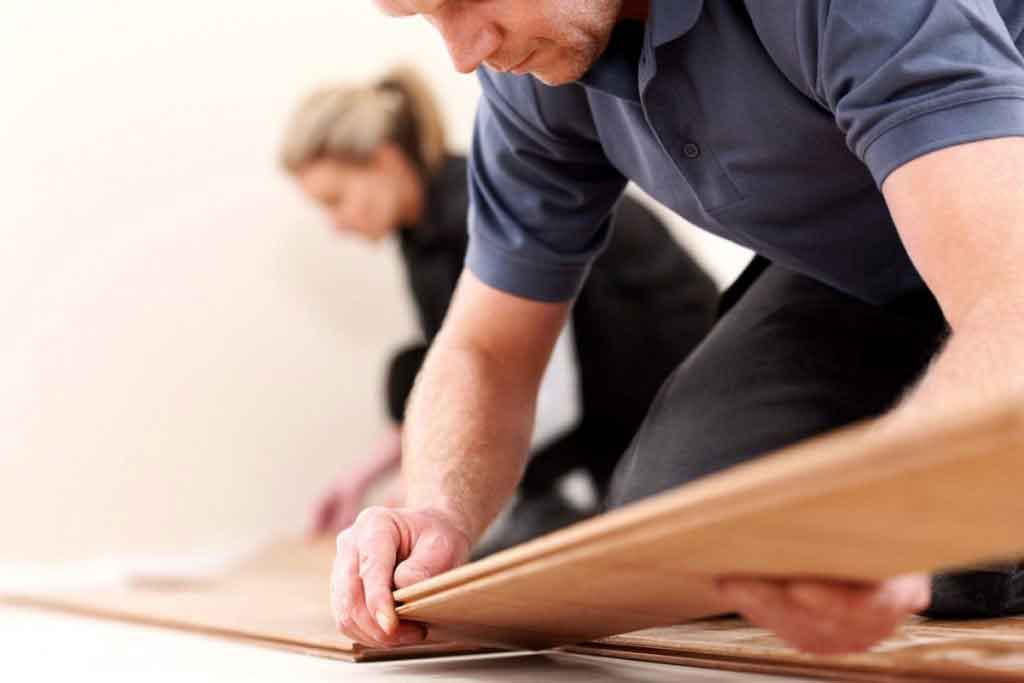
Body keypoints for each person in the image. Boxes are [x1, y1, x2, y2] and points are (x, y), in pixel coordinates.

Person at [332, 0, 1024, 655]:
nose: (462, 52)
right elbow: (485, 349)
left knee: (935, 541)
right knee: (681, 538)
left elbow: (1008, 295)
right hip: (863, 270)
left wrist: (897, 510)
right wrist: (433, 515)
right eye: (426, 14)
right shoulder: (534, 67)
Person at [279, 67, 718, 556]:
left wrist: (432, 493)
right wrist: (364, 477)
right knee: (411, 369)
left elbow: (524, 370)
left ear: (384, 162)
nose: (336, 225)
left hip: (672, 386)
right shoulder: (420, 238)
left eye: (336, 200)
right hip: (589, 404)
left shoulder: (479, 211)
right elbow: (454, 368)